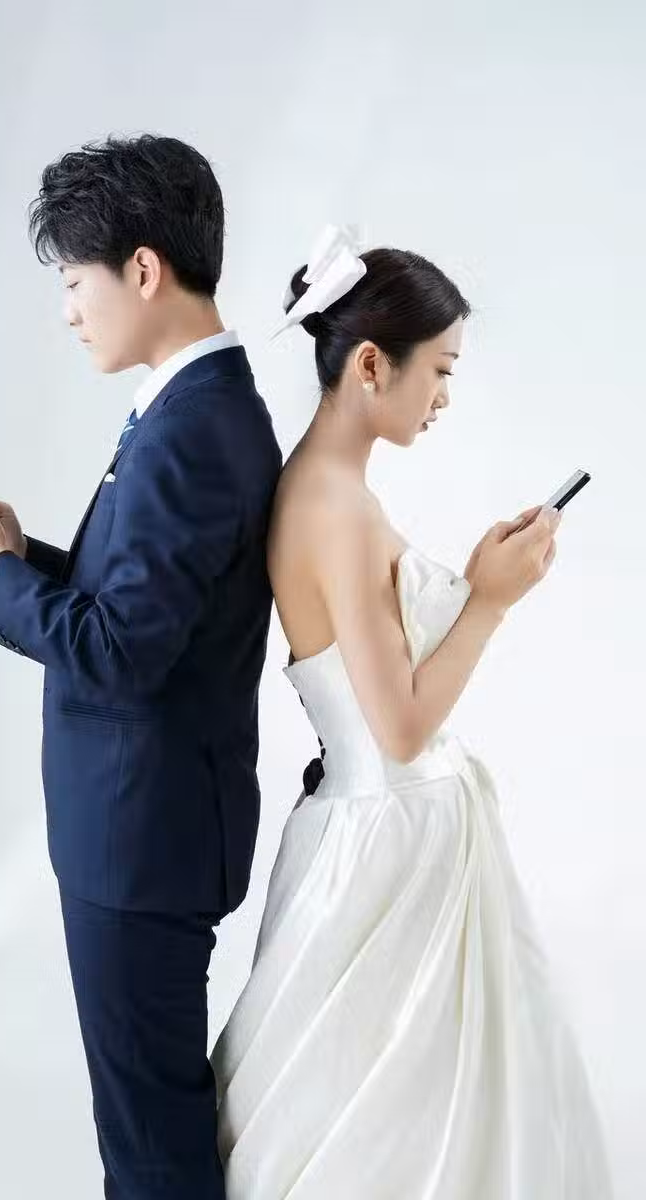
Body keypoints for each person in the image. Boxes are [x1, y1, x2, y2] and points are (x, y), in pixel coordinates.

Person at [0, 133, 282, 1198]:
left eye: (74, 281)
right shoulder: (193, 407)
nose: (68, 310)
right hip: (144, 828)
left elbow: (120, 653)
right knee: (148, 1122)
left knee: (149, 1141)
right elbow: (149, 607)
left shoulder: (194, 425)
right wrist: (18, 554)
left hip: (141, 838)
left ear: (142, 269)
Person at [210, 224, 614, 1198]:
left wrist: (474, 583)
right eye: (438, 370)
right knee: (399, 1114)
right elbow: (397, 726)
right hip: (394, 835)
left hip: (373, 826)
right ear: (368, 364)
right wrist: (489, 601)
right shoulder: (335, 509)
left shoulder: (317, 487)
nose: (443, 397)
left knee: (399, 1104)